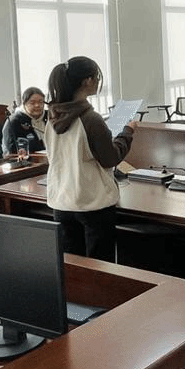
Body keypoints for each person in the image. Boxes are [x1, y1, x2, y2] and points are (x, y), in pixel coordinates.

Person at [45, 56, 135, 262]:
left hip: (62, 201)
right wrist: (127, 132)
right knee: (99, 267)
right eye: (97, 78)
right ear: (87, 81)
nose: (98, 82)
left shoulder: (52, 116)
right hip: (92, 202)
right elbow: (110, 158)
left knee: (73, 266)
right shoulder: (91, 118)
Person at [1, 86, 47, 155]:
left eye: (41, 102)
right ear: (24, 103)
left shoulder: (50, 117)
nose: (37, 105)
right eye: (32, 103)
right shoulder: (14, 121)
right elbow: (11, 150)